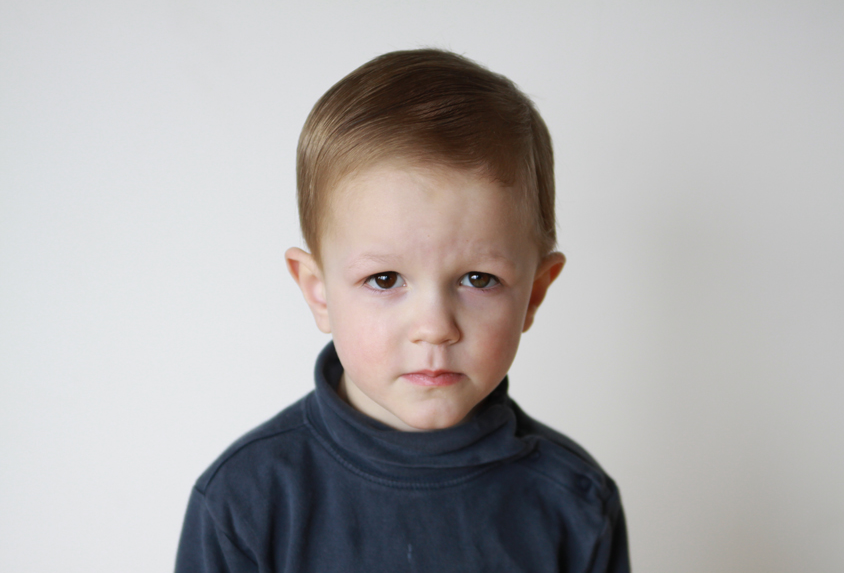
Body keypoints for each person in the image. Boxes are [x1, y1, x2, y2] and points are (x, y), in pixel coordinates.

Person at [175, 49, 630, 573]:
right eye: (384, 279)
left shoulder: (576, 502)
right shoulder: (244, 502)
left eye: (478, 279)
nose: (435, 328)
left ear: (534, 293)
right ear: (318, 292)